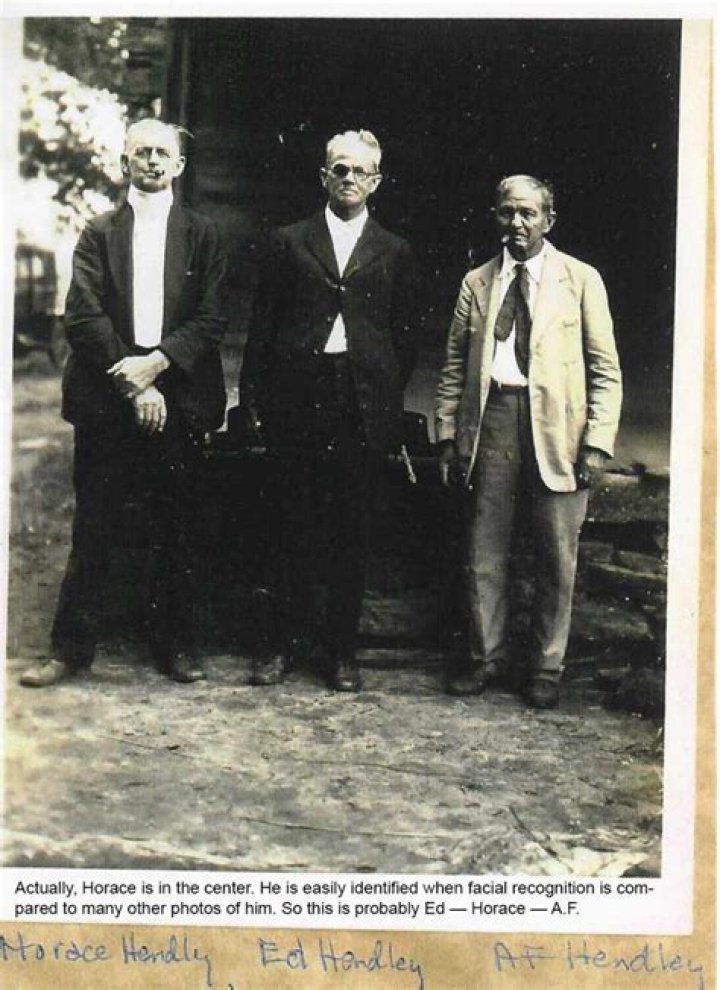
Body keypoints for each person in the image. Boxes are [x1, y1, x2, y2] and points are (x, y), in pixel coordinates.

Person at [20, 118, 227, 687]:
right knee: (95, 525)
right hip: (109, 395)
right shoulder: (98, 232)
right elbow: (83, 315)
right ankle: (70, 650)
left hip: (178, 394)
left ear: (179, 165)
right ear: (125, 163)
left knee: (176, 525)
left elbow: (211, 317)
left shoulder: (203, 234)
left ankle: (174, 646)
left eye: (163, 153)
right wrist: (135, 383)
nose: (153, 161)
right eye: (142, 152)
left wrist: (157, 366)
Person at [435, 174, 622, 709]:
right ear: (495, 217)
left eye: (528, 213)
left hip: (559, 429)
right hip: (492, 419)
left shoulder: (580, 280)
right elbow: (453, 367)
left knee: (556, 554)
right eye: (507, 213)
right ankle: (485, 656)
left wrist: (596, 443)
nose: (516, 223)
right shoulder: (477, 282)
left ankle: (545, 667)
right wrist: (447, 436)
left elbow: (605, 370)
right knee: (483, 548)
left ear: (548, 220)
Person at [240, 129, 417, 692]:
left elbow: (403, 339)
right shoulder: (289, 241)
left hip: (359, 403)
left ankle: (341, 653)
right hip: (297, 398)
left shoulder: (393, 249)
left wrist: (380, 394)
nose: (349, 179)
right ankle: (278, 646)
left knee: (350, 531)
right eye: (340, 169)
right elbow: (262, 326)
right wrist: (253, 400)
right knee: (288, 523)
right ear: (324, 176)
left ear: (376, 181)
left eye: (361, 171)